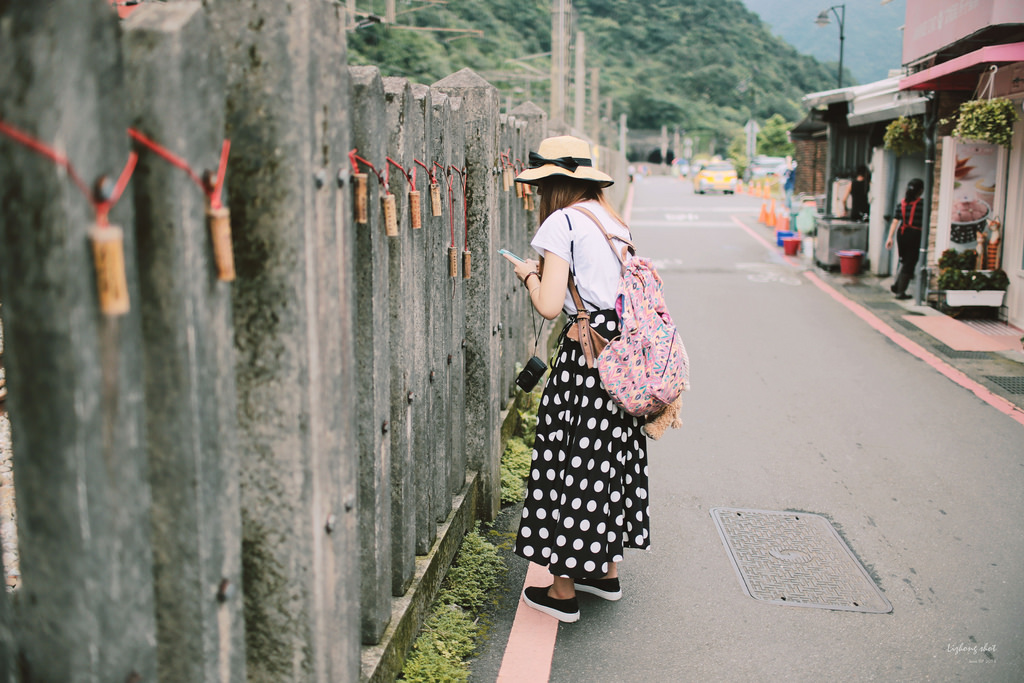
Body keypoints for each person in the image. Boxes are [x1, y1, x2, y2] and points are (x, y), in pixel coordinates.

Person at [503, 135, 649, 623]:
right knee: (606, 460)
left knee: (567, 461)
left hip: (585, 357)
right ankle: (604, 572)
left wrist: (527, 274)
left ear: (553, 185)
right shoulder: (611, 220)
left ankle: (562, 592)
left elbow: (548, 306)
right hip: (620, 356)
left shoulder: (560, 222)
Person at [885, 178, 925, 299]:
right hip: (914, 234)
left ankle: (897, 285)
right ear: (921, 190)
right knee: (910, 262)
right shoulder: (922, 204)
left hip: (902, 234)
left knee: (903, 260)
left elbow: (895, 221)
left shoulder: (901, 204)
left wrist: (889, 238)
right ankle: (900, 292)